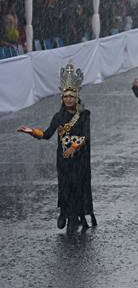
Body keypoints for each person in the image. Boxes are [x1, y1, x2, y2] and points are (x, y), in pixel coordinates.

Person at [17, 63, 96, 234]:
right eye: (65, 96)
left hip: (79, 160)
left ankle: (74, 216)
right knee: (65, 186)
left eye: (71, 96)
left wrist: (75, 146)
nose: (68, 99)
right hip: (63, 160)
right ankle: (64, 212)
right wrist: (31, 131)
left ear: (77, 97)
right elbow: (46, 134)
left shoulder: (84, 115)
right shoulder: (58, 117)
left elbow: (86, 137)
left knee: (76, 186)